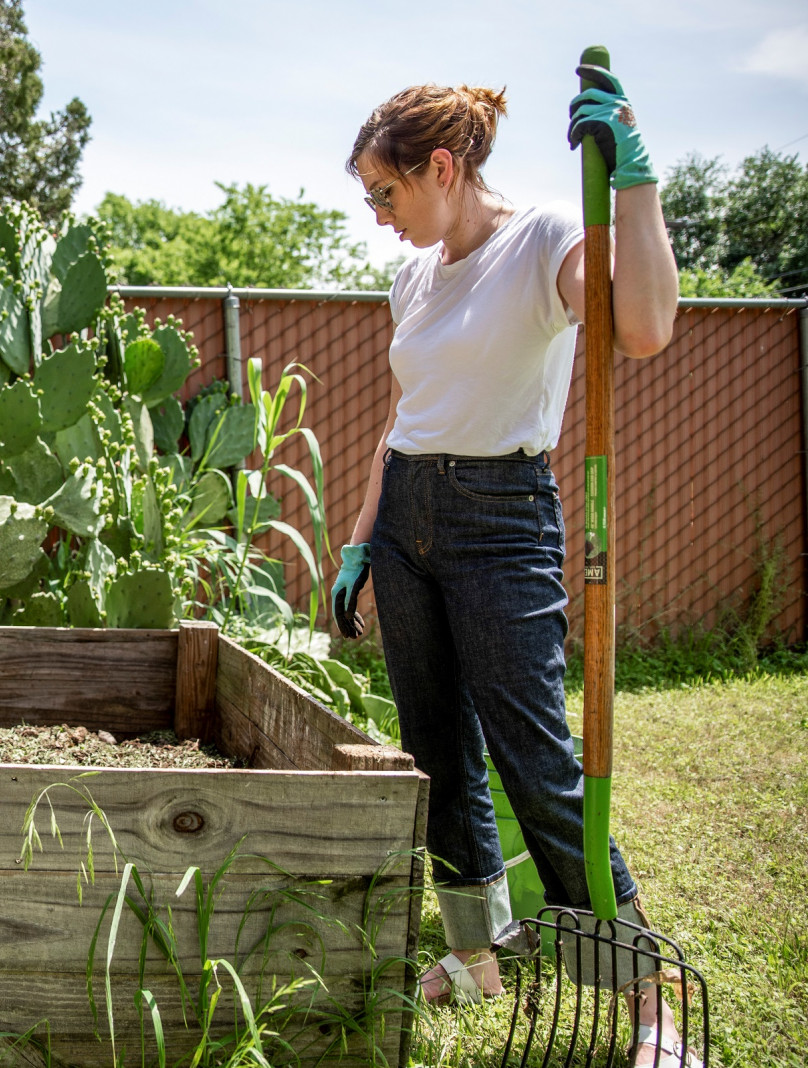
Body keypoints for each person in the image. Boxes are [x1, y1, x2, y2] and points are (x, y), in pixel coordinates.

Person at [329, 75, 695, 1067]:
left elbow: (646, 327)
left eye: (384, 193)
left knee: (535, 761)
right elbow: (404, 424)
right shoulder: (412, 277)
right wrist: (363, 540)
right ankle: (472, 952)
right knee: (435, 756)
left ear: (439, 169)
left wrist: (634, 185)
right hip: (407, 521)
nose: (376, 215)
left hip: (502, 524)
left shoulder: (542, 240)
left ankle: (646, 996)